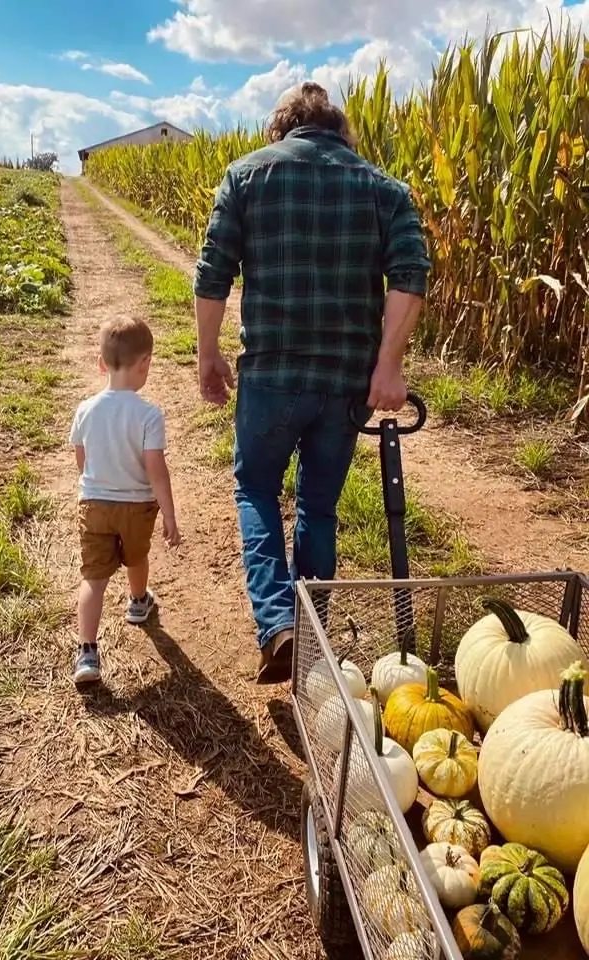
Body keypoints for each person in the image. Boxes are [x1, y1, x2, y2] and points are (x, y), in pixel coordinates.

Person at [192, 82, 431, 684]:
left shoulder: (246, 177)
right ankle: (313, 634)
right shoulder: (383, 189)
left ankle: (280, 625)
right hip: (345, 386)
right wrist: (388, 367)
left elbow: (212, 273)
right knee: (319, 505)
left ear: (282, 128)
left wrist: (208, 356)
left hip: (271, 375)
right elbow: (411, 273)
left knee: (255, 489)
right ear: (339, 129)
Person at [69, 317, 181, 685]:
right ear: (145, 363)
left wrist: (95, 484)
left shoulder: (85, 410)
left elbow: (82, 460)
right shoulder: (148, 414)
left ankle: (87, 653)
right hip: (136, 507)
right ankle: (137, 602)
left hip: (94, 505)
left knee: (93, 578)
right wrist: (169, 514)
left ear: (101, 363)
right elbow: (155, 469)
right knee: (136, 556)